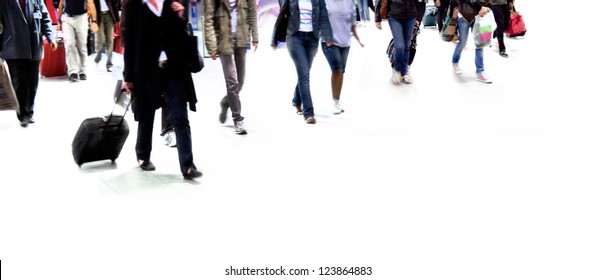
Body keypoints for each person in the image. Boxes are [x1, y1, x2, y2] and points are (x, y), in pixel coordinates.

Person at [121, 0, 202, 179]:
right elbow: (130, 45)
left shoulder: (171, 5)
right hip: (147, 72)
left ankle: (188, 165)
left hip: (174, 69)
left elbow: (179, 37)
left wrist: (181, 18)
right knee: (147, 114)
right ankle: (143, 154)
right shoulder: (134, 7)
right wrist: (128, 77)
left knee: (180, 115)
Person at [271, 0, 333, 124]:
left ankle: (296, 100)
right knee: (304, 74)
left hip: (312, 39)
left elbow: (324, 16)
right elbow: (282, 14)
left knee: (304, 73)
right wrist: (274, 38)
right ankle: (308, 113)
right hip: (294, 37)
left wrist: (328, 35)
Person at [204, 0, 259, 135]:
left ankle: (225, 102)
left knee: (240, 83)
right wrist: (211, 46)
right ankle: (238, 119)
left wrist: (255, 37)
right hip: (223, 41)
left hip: (242, 39)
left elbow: (252, 12)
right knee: (232, 82)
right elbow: (208, 19)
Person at [0, 0, 58, 127]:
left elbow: (45, 18)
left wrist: (50, 37)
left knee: (33, 82)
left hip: (34, 46)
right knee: (19, 81)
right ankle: (23, 114)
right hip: (13, 47)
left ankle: (29, 111)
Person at [321, 0, 363, 114]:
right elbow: (320, 19)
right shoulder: (325, 2)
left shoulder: (350, 2)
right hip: (328, 41)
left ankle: (337, 100)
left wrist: (358, 39)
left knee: (341, 71)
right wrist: (325, 35)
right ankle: (334, 103)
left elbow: (352, 23)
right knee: (337, 69)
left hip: (345, 42)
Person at [375, 0, 418, 84]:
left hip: (411, 15)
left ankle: (405, 72)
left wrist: (419, 15)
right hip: (394, 15)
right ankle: (397, 69)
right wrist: (377, 19)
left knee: (407, 45)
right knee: (399, 46)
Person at [450, 0, 492, 83]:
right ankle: (455, 62)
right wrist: (481, 7)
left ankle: (480, 72)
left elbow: (489, 3)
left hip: (478, 18)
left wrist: (487, 9)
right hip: (464, 17)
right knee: (462, 43)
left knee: (479, 44)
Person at [57, 0, 99, 82]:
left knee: (82, 45)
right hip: (67, 18)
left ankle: (82, 70)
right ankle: (73, 72)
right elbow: (61, 3)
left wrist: (94, 21)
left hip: (81, 18)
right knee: (69, 44)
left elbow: (91, 4)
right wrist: (59, 21)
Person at [93, 0, 120, 71]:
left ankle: (109, 64)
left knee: (110, 40)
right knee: (101, 40)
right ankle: (97, 59)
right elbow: (91, 5)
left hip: (109, 15)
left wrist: (117, 19)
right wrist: (93, 20)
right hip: (98, 17)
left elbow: (115, 3)